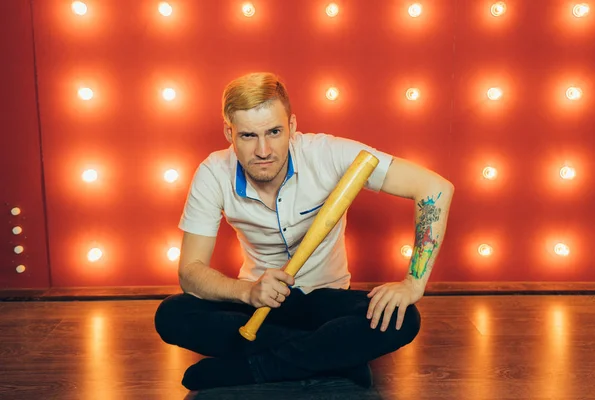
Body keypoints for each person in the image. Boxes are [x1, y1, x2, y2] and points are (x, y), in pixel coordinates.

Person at [154, 72, 454, 391]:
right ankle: (333, 357)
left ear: (292, 126)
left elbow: (434, 188)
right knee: (172, 314)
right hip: (260, 304)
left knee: (404, 318)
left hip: (325, 301)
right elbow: (190, 272)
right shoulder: (213, 173)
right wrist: (248, 292)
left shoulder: (328, 154)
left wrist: (413, 283)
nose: (264, 150)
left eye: (274, 131)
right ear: (229, 132)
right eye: (248, 136)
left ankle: (255, 368)